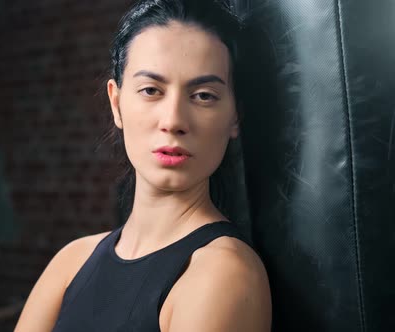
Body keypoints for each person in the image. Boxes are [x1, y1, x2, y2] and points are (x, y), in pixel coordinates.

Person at [15, 0, 271, 331]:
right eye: (151, 90)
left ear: (235, 115)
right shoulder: (71, 262)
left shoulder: (222, 272)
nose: (174, 120)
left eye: (204, 96)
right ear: (117, 103)